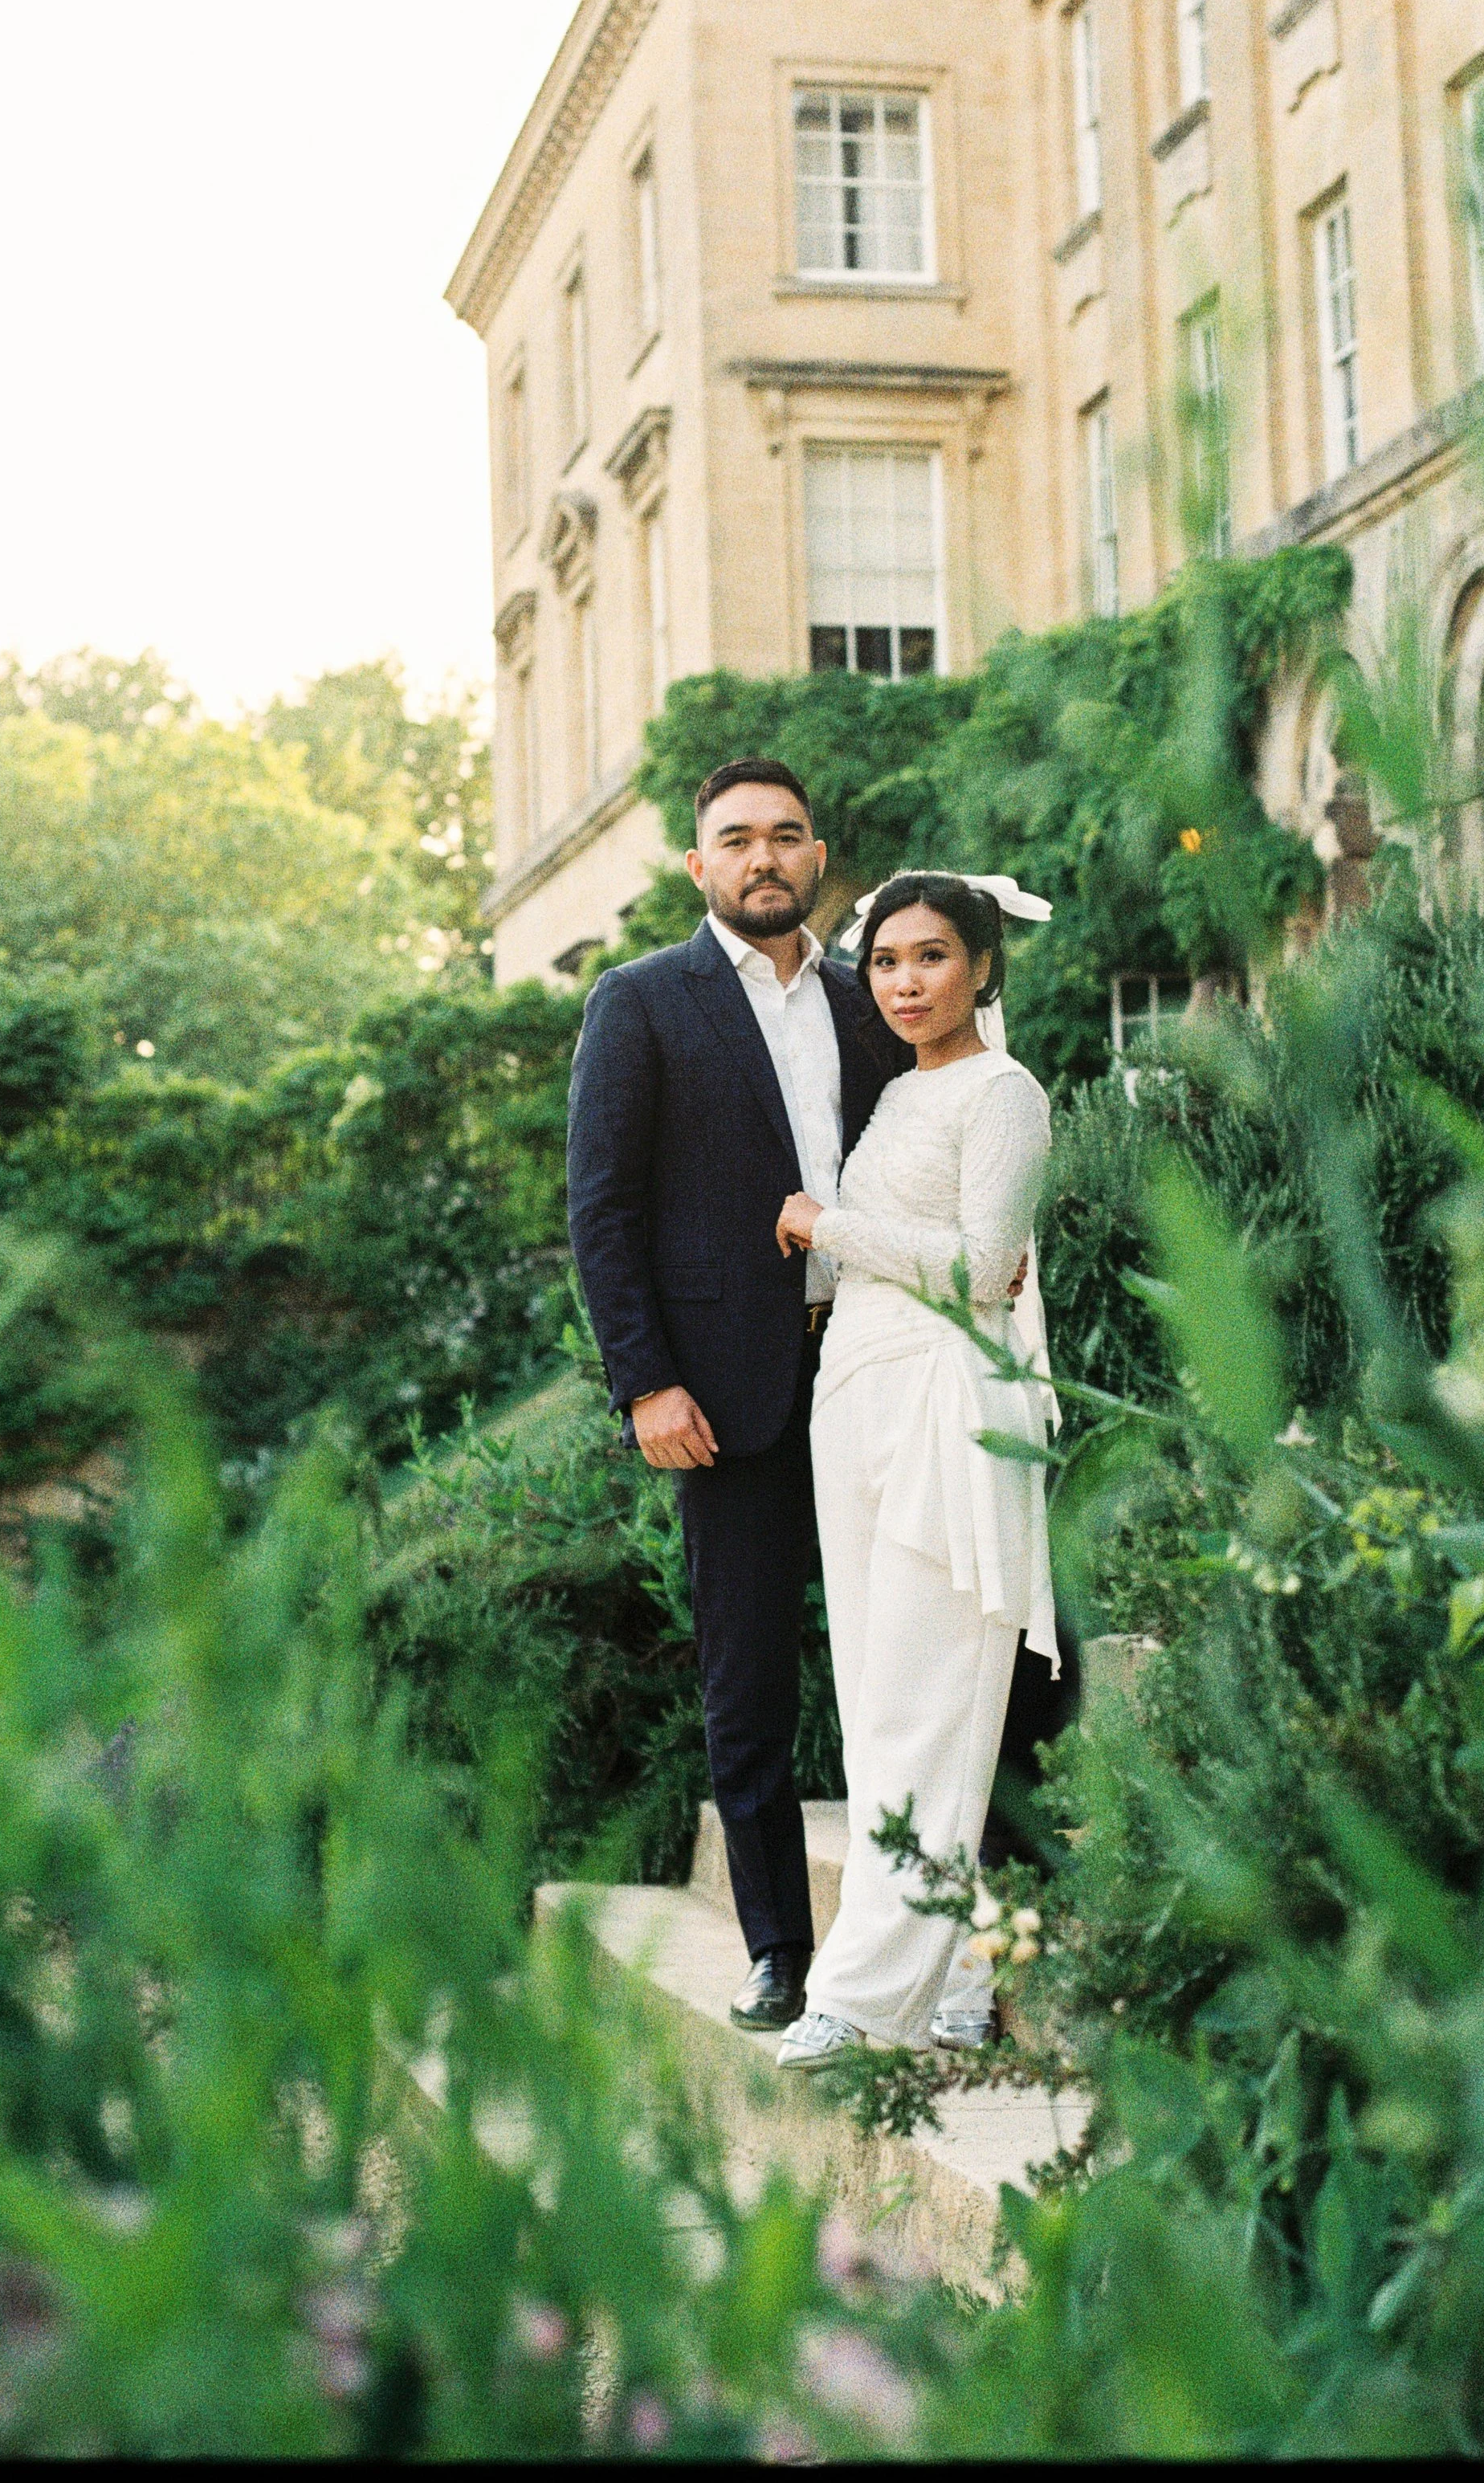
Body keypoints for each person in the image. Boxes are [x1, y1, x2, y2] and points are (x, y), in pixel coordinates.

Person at [564, 759, 913, 2030]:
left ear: (819, 856)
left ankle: (915, 1927)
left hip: (878, 1358)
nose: (763, 857)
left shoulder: (866, 999)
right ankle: (780, 1947)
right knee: (749, 1673)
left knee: (903, 1649)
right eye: (735, 840)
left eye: (785, 836)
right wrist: (646, 1384)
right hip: (726, 1390)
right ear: (698, 866)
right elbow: (602, 1213)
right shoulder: (643, 1003)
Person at [767, 870, 1057, 2069]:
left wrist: (823, 1226)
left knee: (933, 1701)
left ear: (983, 966)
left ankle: (864, 1992)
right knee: (878, 1707)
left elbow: (988, 1268)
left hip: (948, 1407)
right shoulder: (901, 1096)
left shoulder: (1003, 1095)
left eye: (930, 958)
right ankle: (945, 1972)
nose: (903, 983)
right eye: (885, 962)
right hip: (861, 1400)